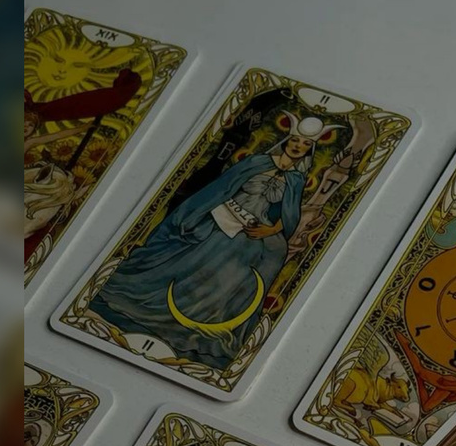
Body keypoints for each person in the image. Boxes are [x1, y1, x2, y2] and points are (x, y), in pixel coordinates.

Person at [85, 114, 343, 369]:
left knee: (267, 256)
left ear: (310, 149)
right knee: (214, 249)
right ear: (287, 140)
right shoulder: (256, 162)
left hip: (256, 229)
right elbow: (222, 188)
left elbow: (290, 214)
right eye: (295, 140)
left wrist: (270, 230)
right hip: (224, 216)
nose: (298, 146)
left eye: (305, 144)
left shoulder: (296, 179)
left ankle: (206, 320)